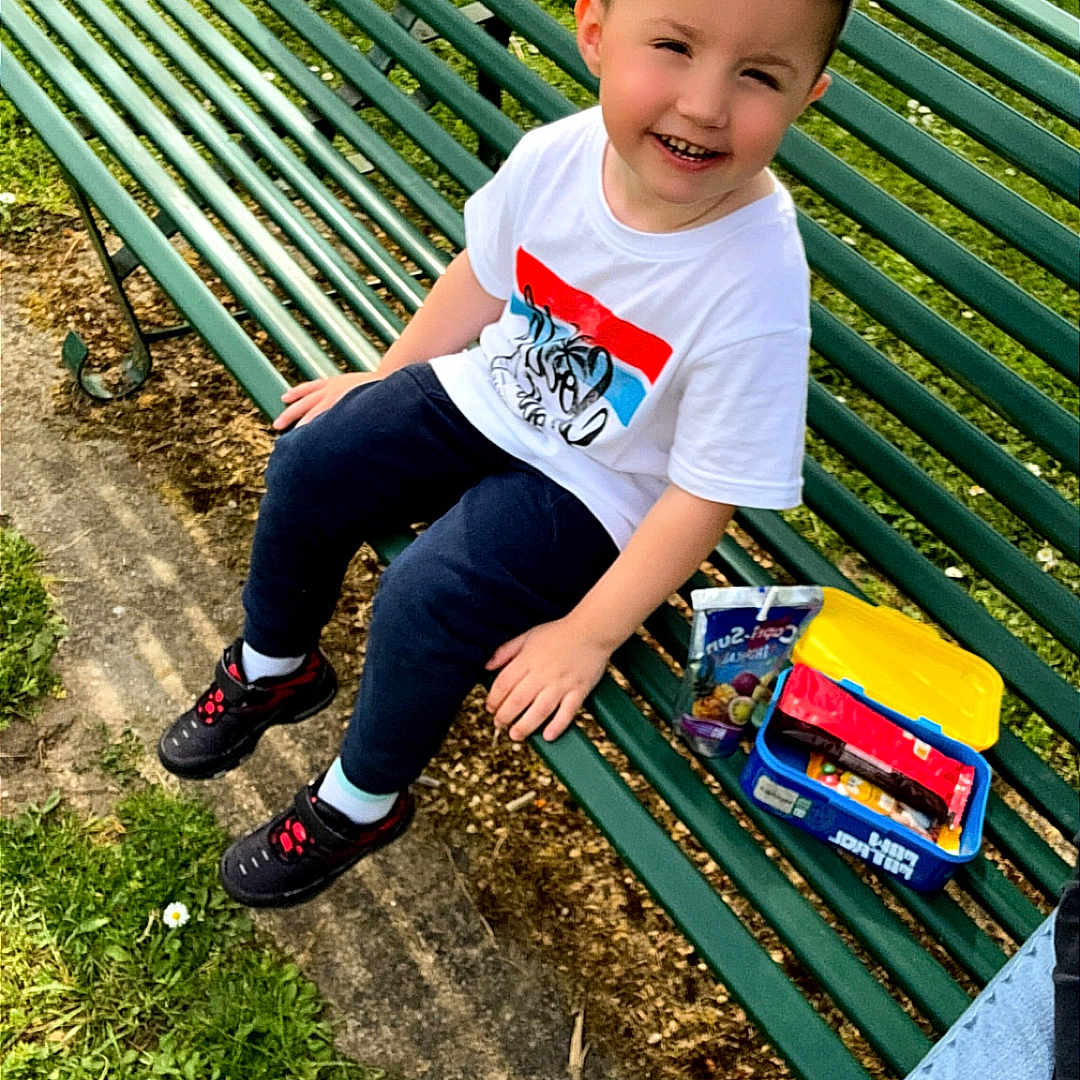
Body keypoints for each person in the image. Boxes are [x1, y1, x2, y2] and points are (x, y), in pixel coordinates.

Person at [157, 0, 849, 908]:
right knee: (316, 459)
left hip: (605, 485)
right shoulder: (557, 155)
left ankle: (361, 799)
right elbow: (484, 278)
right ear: (596, 34)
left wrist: (588, 635)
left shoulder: (754, 277)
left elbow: (703, 494)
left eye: (758, 76)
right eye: (674, 48)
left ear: (807, 96)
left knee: (428, 593)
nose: (706, 105)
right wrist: (384, 379)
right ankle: (275, 667)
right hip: (497, 389)